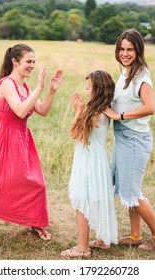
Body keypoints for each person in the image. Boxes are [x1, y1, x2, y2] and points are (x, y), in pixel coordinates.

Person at [0, 43, 64, 241]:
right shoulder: (7, 84)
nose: (32, 65)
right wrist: (40, 87)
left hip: (22, 139)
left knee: (35, 183)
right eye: (28, 61)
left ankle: (35, 221)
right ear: (15, 62)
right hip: (4, 138)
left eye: (34, 62)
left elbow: (42, 111)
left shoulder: (24, 86)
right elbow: (20, 110)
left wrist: (51, 91)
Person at [104, 29, 155, 251]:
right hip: (123, 138)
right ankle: (135, 235)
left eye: (130, 49)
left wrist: (119, 116)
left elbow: (150, 107)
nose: (125, 53)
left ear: (138, 50)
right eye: (121, 49)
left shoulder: (141, 75)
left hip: (134, 139)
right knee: (126, 190)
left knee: (132, 193)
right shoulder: (126, 72)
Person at [61, 70, 118, 258]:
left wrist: (78, 110)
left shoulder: (96, 112)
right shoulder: (103, 108)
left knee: (83, 199)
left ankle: (82, 247)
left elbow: (75, 134)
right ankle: (103, 239)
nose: (86, 92)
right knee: (97, 197)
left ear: (98, 89)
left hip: (90, 158)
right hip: (96, 156)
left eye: (89, 88)